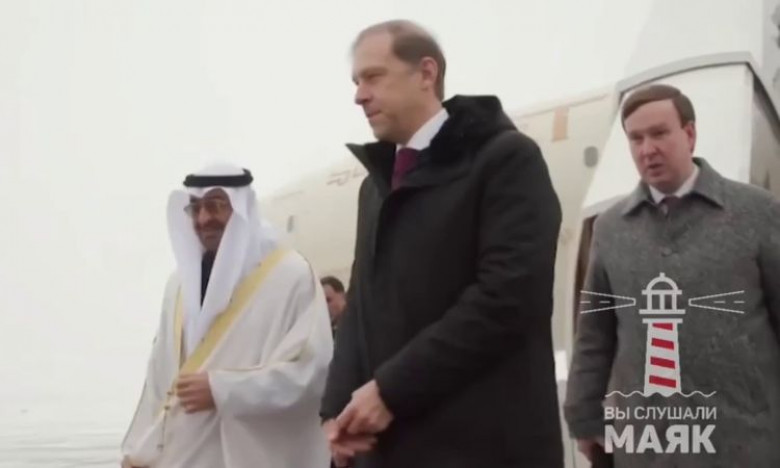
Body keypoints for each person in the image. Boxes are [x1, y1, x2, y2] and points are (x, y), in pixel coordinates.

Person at [319, 19, 564, 468]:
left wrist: (391, 390)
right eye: (356, 82)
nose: (359, 95)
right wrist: (335, 410)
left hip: (483, 446)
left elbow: (508, 297)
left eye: (373, 77)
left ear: (426, 73)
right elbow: (359, 308)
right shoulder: (375, 188)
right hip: (387, 449)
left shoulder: (505, 159)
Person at [564, 84, 780, 467]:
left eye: (659, 133)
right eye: (636, 139)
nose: (647, 149)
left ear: (690, 134)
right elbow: (595, 333)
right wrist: (583, 416)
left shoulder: (757, 213)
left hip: (743, 444)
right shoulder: (611, 229)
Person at [120, 163, 333, 468]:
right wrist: (139, 451)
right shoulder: (178, 285)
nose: (204, 219)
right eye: (196, 208)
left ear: (242, 207)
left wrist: (223, 390)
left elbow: (311, 372)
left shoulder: (290, 277)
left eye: (216, 205)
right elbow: (158, 380)